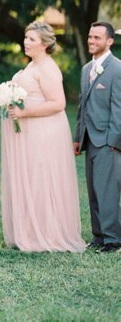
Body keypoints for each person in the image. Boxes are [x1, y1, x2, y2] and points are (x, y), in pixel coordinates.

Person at [2, 21, 85, 252]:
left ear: (45, 44)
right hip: (28, 132)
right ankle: (30, 231)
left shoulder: (48, 67)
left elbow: (58, 103)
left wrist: (24, 112)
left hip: (44, 132)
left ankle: (47, 234)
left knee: (42, 179)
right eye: (25, 38)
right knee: (31, 179)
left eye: (31, 39)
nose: (26, 43)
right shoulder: (30, 66)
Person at [73, 21, 120, 253]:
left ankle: (113, 240)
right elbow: (82, 106)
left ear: (109, 41)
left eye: (97, 38)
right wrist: (77, 137)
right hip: (89, 140)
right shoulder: (85, 69)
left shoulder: (118, 68)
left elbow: (119, 109)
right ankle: (99, 236)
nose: (92, 41)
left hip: (107, 141)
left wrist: (114, 141)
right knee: (93, 190)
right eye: (90, 37)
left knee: (107, 190)